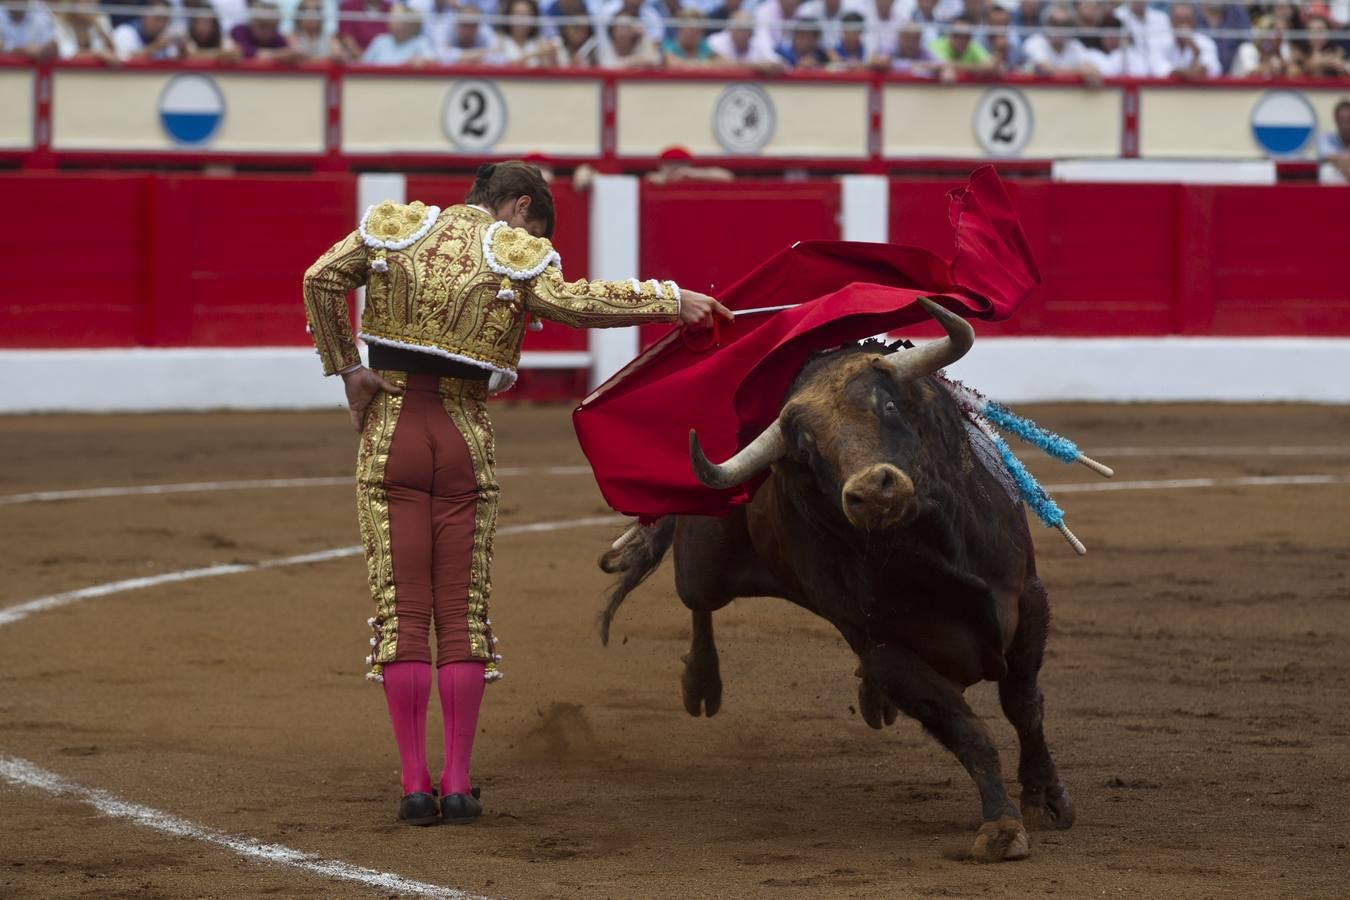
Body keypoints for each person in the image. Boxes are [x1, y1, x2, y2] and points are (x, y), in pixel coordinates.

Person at [301, 161, 730, 826]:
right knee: (462, 615)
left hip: (391, 433)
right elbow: (576, 304)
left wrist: (350, 372)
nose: (531, 233)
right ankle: (459, 783)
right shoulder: (515, 252)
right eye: (534, 223)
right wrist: (672, 300)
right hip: (464, 439)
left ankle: (416, 785)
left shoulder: (398, 229)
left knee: (405, 615)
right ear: (520, 207)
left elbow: (321, 279)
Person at [1020, 3, 1093, 75]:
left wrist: (1085, 71)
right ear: (1045, 24)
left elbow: (1089, 70)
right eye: (1054, 23)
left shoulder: (1075, 45)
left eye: (1065, 24)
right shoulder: (1034, 42)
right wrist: (1079, 71)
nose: (1059, 29)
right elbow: (1046, 69)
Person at [707, 8, 785, 67]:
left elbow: (780, 64)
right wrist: (757, 66)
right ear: (730, 30)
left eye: (746, 30)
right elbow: (713, 64)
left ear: (752, 32)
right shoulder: (715, 42)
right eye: (738, 29)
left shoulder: (759, 44)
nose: (742, 34)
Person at [1162, 2, 1219, 80]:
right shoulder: (1161, 42)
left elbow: (1207, 71)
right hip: (1166, 91)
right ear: (1171, 21)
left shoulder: (1206, 43)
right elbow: (1162, 70)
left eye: (1187, 20)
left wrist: (1195, 51)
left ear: (1194, 22)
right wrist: (1190, 72)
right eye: (1178, 19)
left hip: (1199, 91)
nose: (1183, 25)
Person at [362, 3, 435, 62]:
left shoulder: (420, 42)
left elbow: (433, 61)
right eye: (392, 19)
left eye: (397, 20)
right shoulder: (380, 41)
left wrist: (422, 62)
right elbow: (363, 64)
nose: (391, 22)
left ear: (411, 26)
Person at [229, 0, 301, 59]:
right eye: (263, 27)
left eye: (273, 28)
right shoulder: (240, 31)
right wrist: (279, 54)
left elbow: (290, 53)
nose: (268, 32)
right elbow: (245, 51)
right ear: (252, 23)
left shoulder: (277, 37)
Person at [112, 0, 182, 59]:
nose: (161, 24)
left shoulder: (166, 36)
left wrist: (183, 50)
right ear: (144, 16)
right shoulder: (125, 32)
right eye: (157, 18)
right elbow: (123, 58)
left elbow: (173, 59)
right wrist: (155, 48)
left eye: (165, 20)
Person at [54, 1, 118, 61]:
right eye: (87, 1)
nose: (93, 4)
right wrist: (98, 55)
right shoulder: (61, 23)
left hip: (96, 72)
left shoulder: (101, 19)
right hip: (68, 71)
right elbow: (66, 55)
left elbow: (114, 54)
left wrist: (97, 25)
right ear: (73, 2)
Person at [492, 0, 552, 65]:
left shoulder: (539, 42)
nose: (521, 20)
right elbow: (502, 65)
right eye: (517, 14)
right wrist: (534, 54)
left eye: (526, 14)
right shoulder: (499, 41)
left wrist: (551, 55)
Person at [598, 11, 662, 66]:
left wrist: (643, 35)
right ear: (612, 30)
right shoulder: (604, 45)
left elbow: (654, 60)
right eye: (620, 27)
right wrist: (636, 61)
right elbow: (610, 66)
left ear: (634, 31)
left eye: (627, 28)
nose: (623, 32)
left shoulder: (638, 42)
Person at [1318, 99, 1350, 182]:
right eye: (1342, 120)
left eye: (1348, 120)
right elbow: (1324, 155)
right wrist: (1344, 163)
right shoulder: (1326, 138)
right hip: (1338, 176)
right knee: (1327, 170)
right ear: (1336, 120)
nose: (1345, 124)